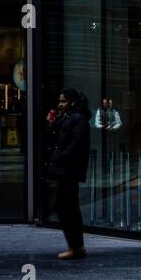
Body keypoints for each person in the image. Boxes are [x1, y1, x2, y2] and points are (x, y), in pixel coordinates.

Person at [46, 88, 91, 260]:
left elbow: (76, 144)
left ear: (72, 102)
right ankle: (76, 246)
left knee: (64, 205)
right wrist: (52, 123)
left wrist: (60, 158)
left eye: (63, 101)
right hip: (65, 168)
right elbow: (57, 138)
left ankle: (76, 246)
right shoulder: (67, 117)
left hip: (68, 169)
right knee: (67, 205)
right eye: (60, 101)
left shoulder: (78, 119)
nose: (60, 104)